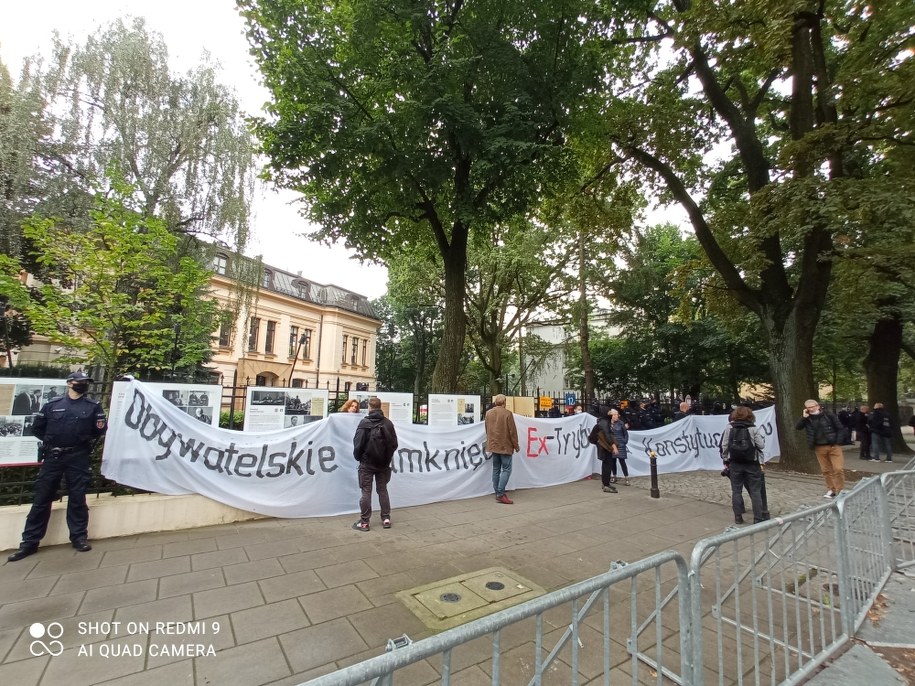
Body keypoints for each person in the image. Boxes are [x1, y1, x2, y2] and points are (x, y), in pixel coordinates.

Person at [8, 371, 108, 562]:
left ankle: (78, 537)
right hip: (53, 457)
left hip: (78, 456)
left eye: (86, 382)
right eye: (80, 382)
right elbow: (38, 428)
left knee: (78, 498)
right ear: (70, 383)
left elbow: (99, 429)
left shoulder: (92, 406)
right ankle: (29, 542)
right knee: (42, 499)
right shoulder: (53, 405)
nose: (84, 385)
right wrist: (52, 443)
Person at [352, 397, 398, 531]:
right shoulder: (388, 423)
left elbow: (358, 444)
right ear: (380, 407)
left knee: (366, 491)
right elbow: (394, 444)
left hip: (367, 463)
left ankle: (364, 522)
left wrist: (359, 458)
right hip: (383, 464)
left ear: (369, 407)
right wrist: (386, 458)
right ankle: (386, 519)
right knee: (382, 490)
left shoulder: (364, 423)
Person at [720, 406, 767, 524]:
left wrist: (726, 459)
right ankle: (758, 518)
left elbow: (724, 445)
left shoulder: (729, 427)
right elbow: (761, 445)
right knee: (755, 491)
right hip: (752, 462)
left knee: (736, 491)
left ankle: (738, 517)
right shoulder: (753, 428)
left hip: (735, 462)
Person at [795, 399, 844, 499]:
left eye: (813, 406)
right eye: (808, 407)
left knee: (838, 469)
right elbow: (798, 427)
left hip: (833, 446)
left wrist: (837, 442)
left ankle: (840, 489)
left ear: (818, 406)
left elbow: (840, 428)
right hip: (819, 447)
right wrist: (804, 417)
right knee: (826, 470)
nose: (811, 409)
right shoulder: (807, 418)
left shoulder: (828, 415)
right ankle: (832, 489)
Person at [485, 394, 520, 504]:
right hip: (505, 446)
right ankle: (500, 493)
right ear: (504, 402)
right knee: (506, 469)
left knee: (496, 468)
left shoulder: (488, 413)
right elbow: (512, 432)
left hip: (494, 445)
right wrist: (516, 445)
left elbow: (487, 429)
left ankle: (497, 492)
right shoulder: (508, 414)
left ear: (495, 402)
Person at [588, 408, 619, 493]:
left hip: (604, 446)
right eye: (609, 412)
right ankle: (606, 484)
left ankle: (606, 483)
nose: (611, 414)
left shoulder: (605, 421)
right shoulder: (604, 422)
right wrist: (613, 446)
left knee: (607, 464)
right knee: (607, 465)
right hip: (604, 447)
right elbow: (607, 435)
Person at [607, 408, 631, 485]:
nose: (614, 416)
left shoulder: (621, 423)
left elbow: (625, 434)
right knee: (613, 462)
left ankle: (626, 477)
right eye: (613, 414)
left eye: (616, 414)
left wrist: (624, 442)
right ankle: (614, 476)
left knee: (622, 461)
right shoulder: (608, 424)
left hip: (621, 444)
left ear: (618, 415)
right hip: (613, 445)